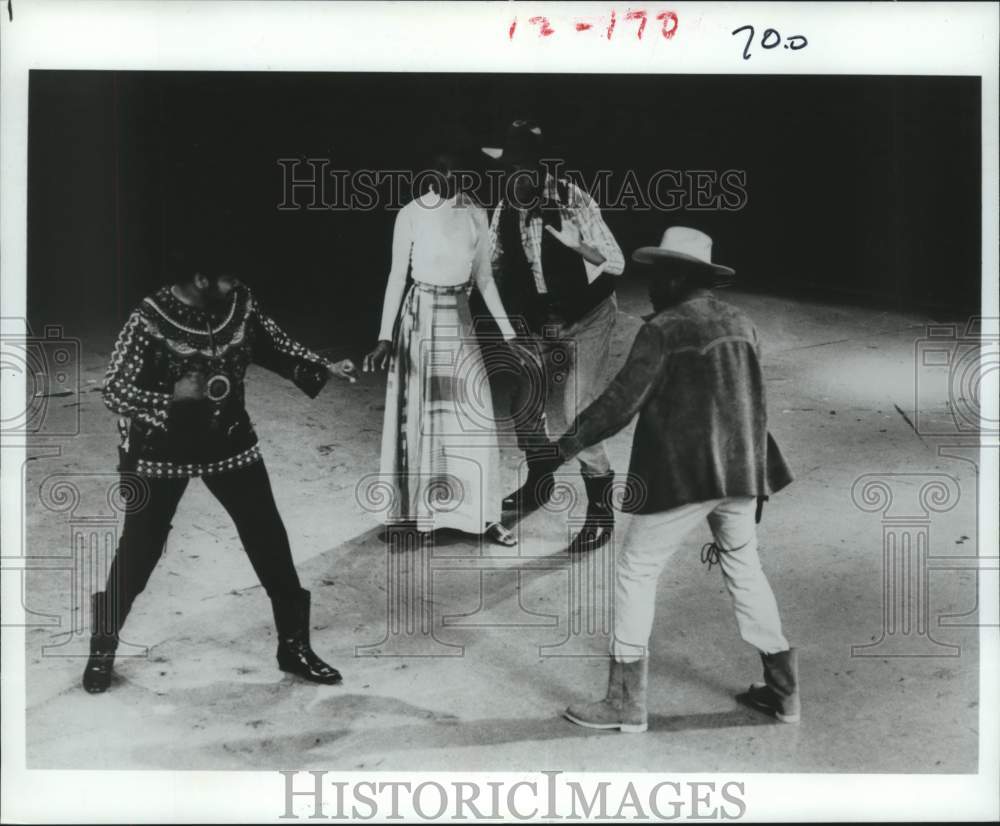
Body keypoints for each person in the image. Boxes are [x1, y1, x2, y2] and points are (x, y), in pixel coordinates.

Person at [553, 227, 799, 732]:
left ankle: (625, 702)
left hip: (683, 474)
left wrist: (564, 444)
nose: (651, 284)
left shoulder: (664, 329)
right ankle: (784, 693)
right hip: (739, 471)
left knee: (636, 571)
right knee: (745, 569)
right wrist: (757, 478)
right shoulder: (743, 323)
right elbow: (752, 403)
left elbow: (622, 401)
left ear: (681, 277)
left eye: (661, 274)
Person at [83, 249, 357, 694]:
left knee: (267, 533)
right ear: (200, 278)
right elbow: (114, 387)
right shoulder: (149, 317)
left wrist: (323, 365)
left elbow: (272, 341)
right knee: (140, 549)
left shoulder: (239, 302)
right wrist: (171, 398)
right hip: (160, 448)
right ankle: (103, 646)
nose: (236, 287)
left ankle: (294, 645)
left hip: (227, 439)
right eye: (227, 279)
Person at [363, 150, 531, 546]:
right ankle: (417, 517)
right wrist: (384, 337)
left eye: (458, 170)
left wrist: (510, 335)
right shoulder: (411, 214)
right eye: (442, 169)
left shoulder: (476, 213)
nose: (451, 177)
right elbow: (396, 276)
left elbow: (485, 280)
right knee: (422, 420)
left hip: (458, 318)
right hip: (420, 317)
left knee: (474, 418)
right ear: (430, 172)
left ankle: (483, 515)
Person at [482, 119, 625, 553]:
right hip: (544, 320)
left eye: (524, 168)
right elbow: (489, 266)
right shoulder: (507, 206)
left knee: (575, 409)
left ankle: (601, 510)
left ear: (540, 168)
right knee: (523, 402)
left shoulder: (572, 197)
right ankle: (540, 478)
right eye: (509, 169)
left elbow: (614, 263)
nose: (516, 177)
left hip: (588, 315)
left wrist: (577, 248)